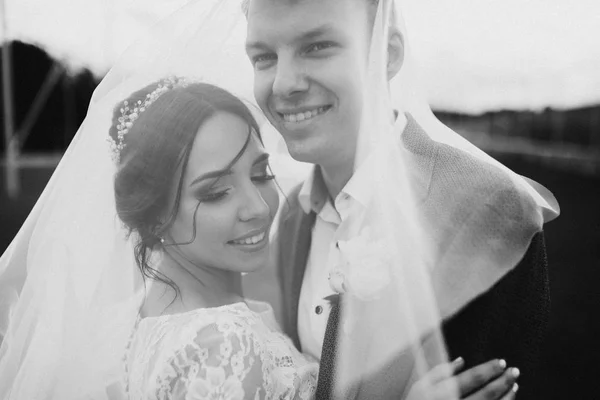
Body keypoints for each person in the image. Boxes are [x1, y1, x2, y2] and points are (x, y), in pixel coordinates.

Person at [243, 0, 559, 398]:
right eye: (264, 57)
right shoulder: (290, 216)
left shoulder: (489, 208)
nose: (283, 84)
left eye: (317, 46)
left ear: (388, 54)